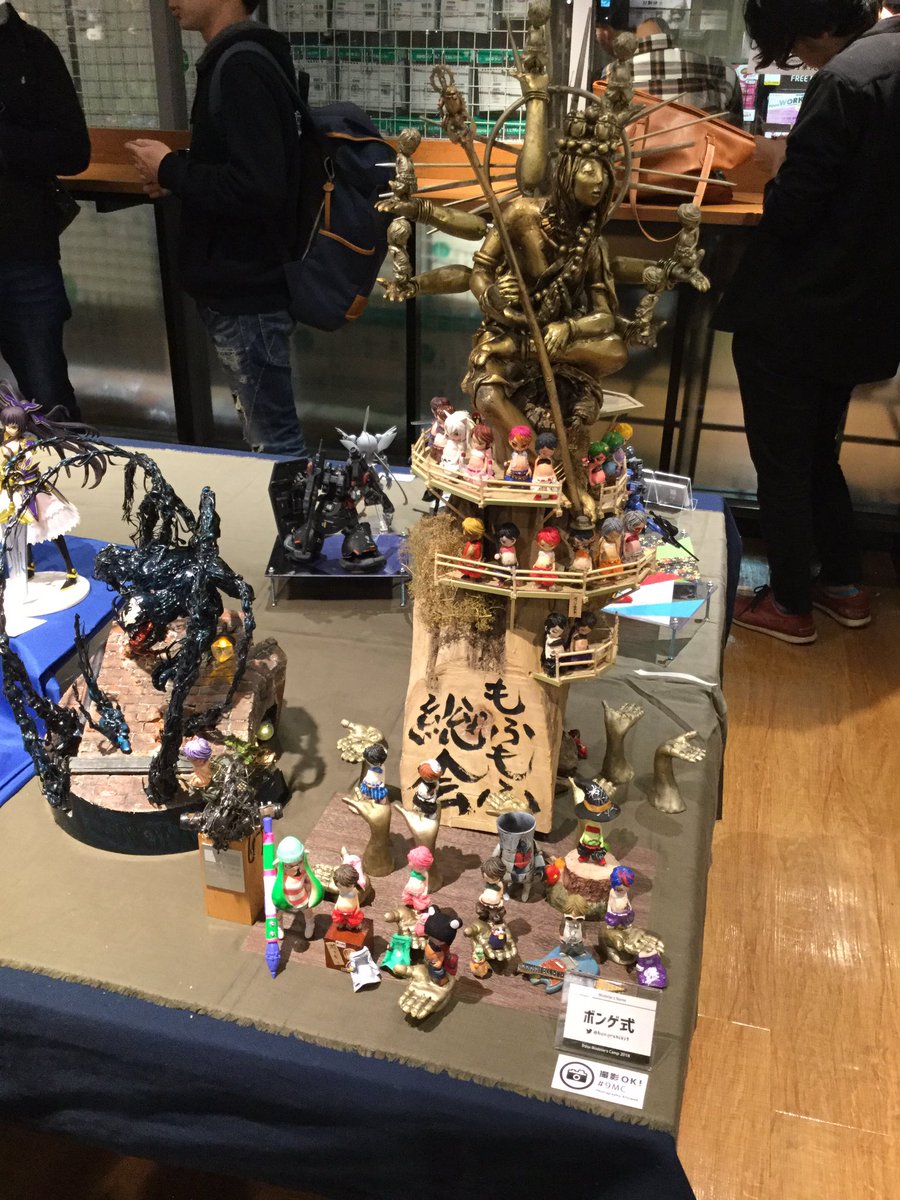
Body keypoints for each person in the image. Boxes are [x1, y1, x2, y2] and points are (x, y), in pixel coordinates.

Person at [715, 0, 900, 644]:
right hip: (864, 310)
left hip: (798, 310)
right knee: (819, 451)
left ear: (821, 24)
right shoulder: (888, 63)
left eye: (797, 43)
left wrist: (775, 164)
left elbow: (794, 211)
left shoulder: (846, 79)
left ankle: (790, 603)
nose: (798, 58)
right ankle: (844, 585)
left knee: (783, 461)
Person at [126, 0, 307, 457]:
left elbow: (258, 188)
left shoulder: (241, 65)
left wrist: (171, 169)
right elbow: (246, 167)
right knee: (267, 432)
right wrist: (178, 174)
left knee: (274, 440)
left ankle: (290, 507)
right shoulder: (244, 56)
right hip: (247, 284)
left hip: (247, 289)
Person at [0, 2, 90, 419]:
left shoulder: (31, 49)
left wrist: (6, 144)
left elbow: (74, 150)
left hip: (22, 253)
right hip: (25, 253)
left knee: (49, 404)